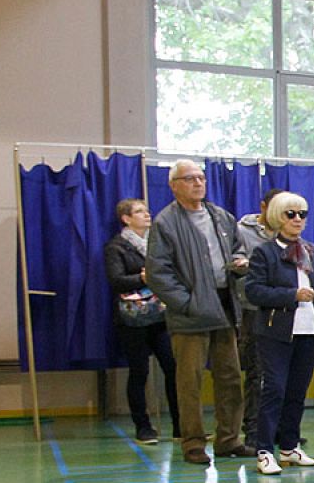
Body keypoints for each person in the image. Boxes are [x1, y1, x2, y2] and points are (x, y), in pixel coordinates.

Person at [145, 159, 251, 466]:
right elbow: (158, 273)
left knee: (230, 376)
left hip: (225, 304)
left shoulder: (221, 216)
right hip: (190, 313)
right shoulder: (166, 223)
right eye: (189, 179)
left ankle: (228, 439)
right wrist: (188, 303)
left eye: (201, 178)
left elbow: (238, 248)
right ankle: (192, 442)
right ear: (174, 185)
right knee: (189, 381)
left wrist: (240, 262)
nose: (197, 183)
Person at [244, 192, 314, 475]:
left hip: (310, 331)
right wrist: (291, 295)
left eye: (302, 214)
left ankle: (289, 446)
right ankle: (264, 450)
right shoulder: (265, 252)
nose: (298, 219)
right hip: (276, 332)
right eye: (291, 214)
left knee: (297, 392)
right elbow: (253, 290)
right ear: (277, 216)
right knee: (274, 389)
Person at [103, 198, 180, 444]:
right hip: (132, 319)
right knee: (139, 371)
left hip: (160, 315)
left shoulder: (156, 245)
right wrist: (144, 277)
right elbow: (116, 280)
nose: (147, 215)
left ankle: (181, 425)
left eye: (147, 210)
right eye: (139, 212)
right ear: (126, 218)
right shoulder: (116, 247)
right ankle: (143, 426)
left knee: (173, 367)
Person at [234, 189, 283, 450]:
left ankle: (279, 427)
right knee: (256, 372)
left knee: (281, 373)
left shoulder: (288, 232)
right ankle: (253, 428)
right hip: (253, 309)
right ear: (263, 206)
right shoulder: (242, 231)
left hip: (283, 309)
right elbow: (231, 263)